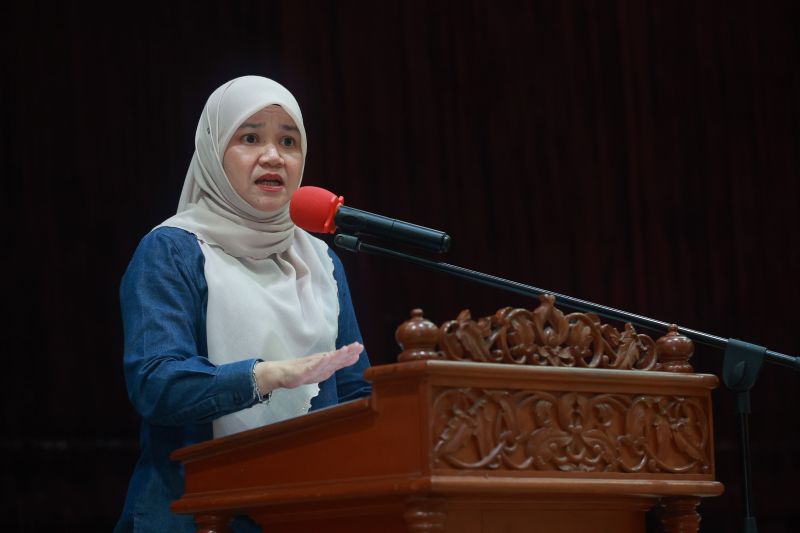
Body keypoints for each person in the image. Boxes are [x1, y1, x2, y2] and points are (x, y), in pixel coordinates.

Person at [114, 76, 372, 532]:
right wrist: (265, 375)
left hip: (308, 513)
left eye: (288, 141)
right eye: (250, 138)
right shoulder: (172, 250)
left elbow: (354, 393)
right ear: (213, 152)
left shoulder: (321, 261)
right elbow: (156, 384)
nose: (273, 156)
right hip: (194, 514)